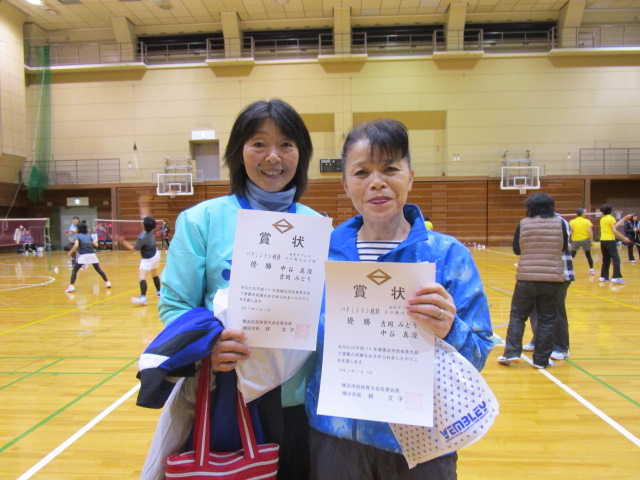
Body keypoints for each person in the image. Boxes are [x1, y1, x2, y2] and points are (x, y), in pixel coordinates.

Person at [305, 119, 493, 480]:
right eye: (362, 172)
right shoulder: (321, 253)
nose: (377, 182)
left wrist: (450, 328)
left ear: (411, 177)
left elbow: (479, 354)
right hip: (336, 437)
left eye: (390, 169)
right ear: (345, 183)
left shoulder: (447, 255)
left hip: (423, 443)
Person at [143, 99, 319, 480]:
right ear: (239, 151)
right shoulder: (201, 220)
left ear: (301, 154)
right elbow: (174, 307)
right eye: (259, 143)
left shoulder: (318, 227)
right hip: (227, 397)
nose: (273, 156)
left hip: (299, 401)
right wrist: (210, 344)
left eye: (286, 144)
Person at [497, 192, 567, 369]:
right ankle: (541, 360)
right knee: (547, 319)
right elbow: (564, 247)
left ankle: (511, 353)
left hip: (526, 278)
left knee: (517, 316)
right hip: (552, 279)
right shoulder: (560, 223)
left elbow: (517, 249)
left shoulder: (524, 223)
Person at [522, 213, 575, 361]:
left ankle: (561, 347)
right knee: (533, 308)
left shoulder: (559, 222)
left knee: (556, 310)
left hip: (558, 273)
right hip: (537, 272)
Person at [115, 216, 162, 306]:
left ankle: (143, 298)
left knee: (142, 277)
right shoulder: (151, 231)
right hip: (156, 255)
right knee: (154, 274)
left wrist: (123, 241)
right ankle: (159, 292)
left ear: (144, 225)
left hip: (148, 258)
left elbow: (134, 249)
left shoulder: (142, 237)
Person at [64, 222, 111, 293]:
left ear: (79, 229)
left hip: (83, 255)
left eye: (76, 228)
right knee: (98, 269)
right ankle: (107, 282)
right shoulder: (89, 235)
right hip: (92, 254)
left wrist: (70, 252)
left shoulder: (77, 235)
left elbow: (76, 245)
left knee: (75, 270)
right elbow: (96, 245)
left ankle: (71, 286)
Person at [598, 204, 632, 284]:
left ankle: (603, 277)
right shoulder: (611, 218)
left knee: (606, 259)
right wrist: (624, 238)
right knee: (616, 259)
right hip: (610, 241)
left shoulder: (602, 219)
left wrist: (624, 218)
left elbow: (614, 227)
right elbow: (614, 231)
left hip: (603, 241)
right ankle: (616, 277)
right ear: (610, 210)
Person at [569, 208, 595, 275]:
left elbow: (570, 231)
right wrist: (591, 240)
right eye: (584, 213)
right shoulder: (587, 221)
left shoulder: (572, 222)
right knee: (588, 255)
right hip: (585, 240)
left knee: (572, 255)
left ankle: (569, 269)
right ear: (582, 214)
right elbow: (590, 232)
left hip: (575, 240)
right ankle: (591, 269)